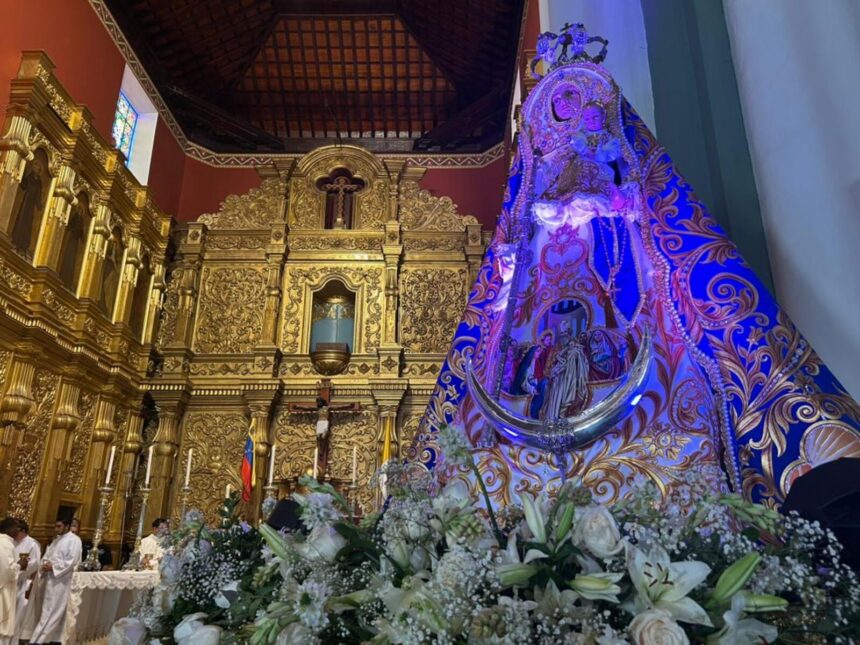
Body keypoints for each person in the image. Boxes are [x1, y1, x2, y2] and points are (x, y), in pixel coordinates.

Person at [28, 518, 82, 644]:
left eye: (59, 526)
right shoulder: (56, 540)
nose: (56, 529)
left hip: (62, 581)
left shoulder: (74, 540)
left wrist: (54, 567)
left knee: (52, 610)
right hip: (49, 579)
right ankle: (51, 639)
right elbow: (47, 556)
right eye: (55, 526)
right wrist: (45, 565)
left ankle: (38, 640)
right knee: (46, 609)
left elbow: (72, 561)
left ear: (67, 526)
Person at [12, 520, 40, 644]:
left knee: (14, 614)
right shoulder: (11, 542)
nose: (13, 533)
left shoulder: (32, 544)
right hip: (7, 580)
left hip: (19, 582)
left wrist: (18, 572)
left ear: (23, 531)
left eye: (16, 530)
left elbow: (34, 564)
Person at [0, 517, 20, 645]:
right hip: (3, 590)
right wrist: (20, 565)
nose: (18, 532)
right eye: (16, 528)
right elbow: (7, 570)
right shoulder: (6, 544)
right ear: (10, 529)